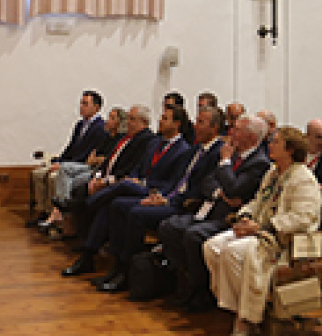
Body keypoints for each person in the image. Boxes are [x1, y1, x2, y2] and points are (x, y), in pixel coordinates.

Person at [203, 126, 322, 336]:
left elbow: (303, 218)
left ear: (290, 149)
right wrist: (245, 217)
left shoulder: (303, 178)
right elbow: (258, 201)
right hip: (261, 231)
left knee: (232, 252)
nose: (270, 145)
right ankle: (241, 308)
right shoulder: (272, 173)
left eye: (276, 142)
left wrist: (260, 227)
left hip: (285, 241)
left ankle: (246, 317)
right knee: (212, 246)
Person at [95, 106, 227, 293]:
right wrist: (160, 196)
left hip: (185, 206)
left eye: (201, 122)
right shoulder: (195, 150)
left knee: (136, 213)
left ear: (214, 128)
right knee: (118, 205)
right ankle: (117, 266)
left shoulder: (217, 153)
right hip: (169, 196)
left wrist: (167, 201)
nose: (195, 126)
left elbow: (198, 190)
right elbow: (175, 181)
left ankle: (128, 272)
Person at [160, 114, 271, 310]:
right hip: (209, 209)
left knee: (194, 235)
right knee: (168, 226)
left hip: (229, 218)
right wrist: (220, 192)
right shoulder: (232, 154)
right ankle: (185, 279)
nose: (231, 133)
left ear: (251, 137)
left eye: (237, 130)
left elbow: (235, 189)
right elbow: (207, 182)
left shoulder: (259, 162)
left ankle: (202, 291)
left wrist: (225, 163)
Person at [61, 105, 172, 276]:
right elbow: (136, 167)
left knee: (120, 191)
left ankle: (85, 205)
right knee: (110, 204)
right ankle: (91, 256)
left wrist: (137, 181)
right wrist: (113, 177)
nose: (128, 122)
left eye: (132, 119)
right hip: (134, 183)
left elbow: (171, 180)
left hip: (152, 190)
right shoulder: (150, 143)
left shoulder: (153, 141)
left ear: (143, 122)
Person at [30, 90, 108, 226]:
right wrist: (59, 161)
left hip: (81, 166)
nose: (81, 106)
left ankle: (58, 215)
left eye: (85, 104)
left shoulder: (100, 128)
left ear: (96, 107)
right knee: (38, 174)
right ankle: (44, 211)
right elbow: (70, 147)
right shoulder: (80, 125)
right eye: (81, 103)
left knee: (54, 177)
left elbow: (88, 155)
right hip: (70, 163)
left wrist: (62, 165)